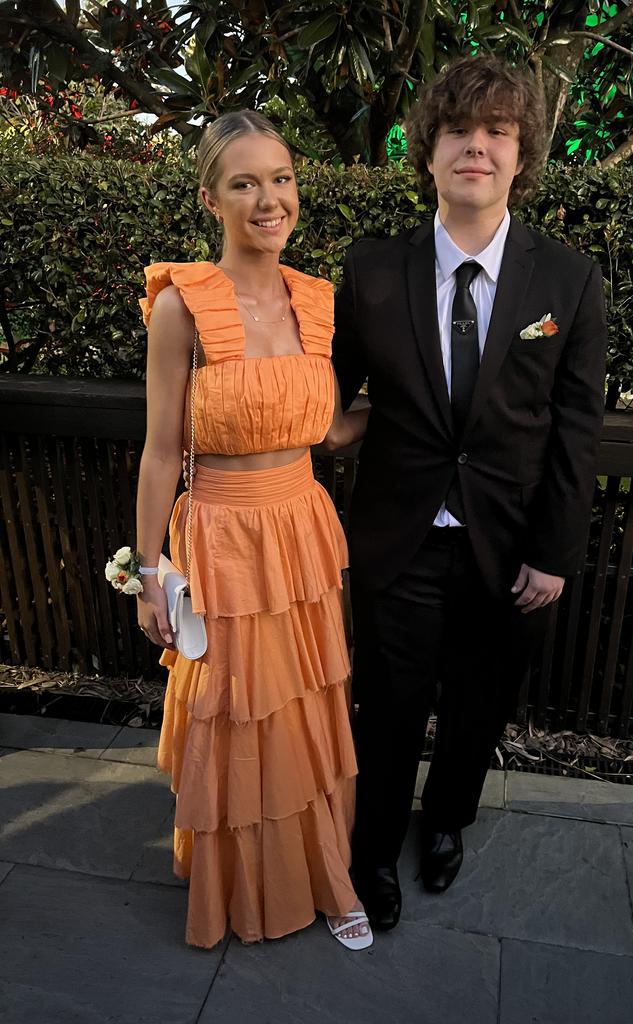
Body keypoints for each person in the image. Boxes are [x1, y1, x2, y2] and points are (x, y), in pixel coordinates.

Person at [332, 55, 608, 930]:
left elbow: (575, 430)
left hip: (510, 547)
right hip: (398, 543)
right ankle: (370, 849)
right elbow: (325, 401)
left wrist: (555, 553)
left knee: (479, 709)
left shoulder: (569, 281)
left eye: (497, 132)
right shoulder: (371, 272)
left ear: (521, 155)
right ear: (429, 152)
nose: (477, 148)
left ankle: (445, 823)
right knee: (387, 710)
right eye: (459, 131)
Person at [135, 111, 371, 950]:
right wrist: (151, 573)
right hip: (222, 541)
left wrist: (394, 412)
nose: (269, 199)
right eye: (245, 183)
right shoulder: (181, 307)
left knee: (304, 711)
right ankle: (238, 885)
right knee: (236, 717)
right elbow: (163, 450)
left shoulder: (317, 299)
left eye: (281, 179)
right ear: (211, 198)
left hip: (302, 532)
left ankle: (324, 877)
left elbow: (326, 429)